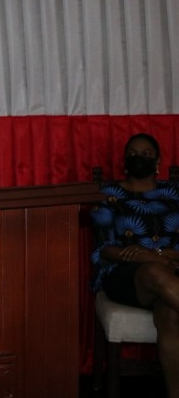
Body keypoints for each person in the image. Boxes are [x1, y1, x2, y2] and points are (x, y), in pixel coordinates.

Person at [90, 133, 179, 397]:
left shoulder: (174, 194)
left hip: (172, 268)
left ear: (158, 161)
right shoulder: (109, 194)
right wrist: (152, 259)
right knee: (154, 271)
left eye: (146, 154)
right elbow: (106, 248)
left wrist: (156, 254)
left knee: (170, 316)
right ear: (125, 161)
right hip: (124, 274)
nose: (139, 158)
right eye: (133, 154)